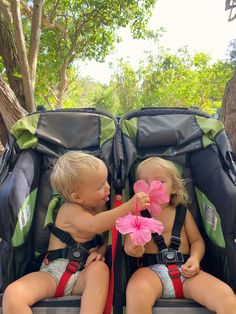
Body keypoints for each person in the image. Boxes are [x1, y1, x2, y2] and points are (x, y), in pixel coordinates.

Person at [3, 151, 150, 314]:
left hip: (83, 274)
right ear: (78, 197)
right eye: (100, 186)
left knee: (100, 270)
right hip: (53, 273)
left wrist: (100, 252)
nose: (108, 187)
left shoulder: (104, 211)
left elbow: (107, 235)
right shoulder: (70, 210)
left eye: (106, 181)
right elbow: (94, 225)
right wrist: (129, 206)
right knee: (13, 294)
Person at [124, 157, 236, 314]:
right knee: (137, 291)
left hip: (186, 270)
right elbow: (129, 244)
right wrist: (133, 249)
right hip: (151, 271)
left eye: (160, 181)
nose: (151, 187)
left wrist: (195, 259)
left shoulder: (182, 212)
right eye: (145, 182)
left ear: (174, 188)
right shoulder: (137, 214)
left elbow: (197, 241)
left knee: (226, 296)